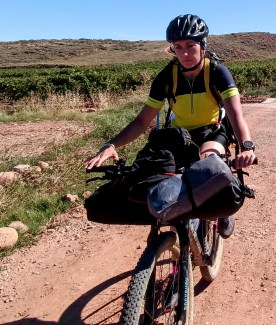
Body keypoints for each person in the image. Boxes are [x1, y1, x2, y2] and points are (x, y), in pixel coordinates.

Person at [85, 14, 256, 236]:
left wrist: (247, 147)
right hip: (180, 134)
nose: (184, 53)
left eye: (190, 46)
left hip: (212, 131)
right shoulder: (167, 77)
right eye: (178, 47)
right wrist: (111, 144)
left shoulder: (217, 72)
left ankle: (222, 208)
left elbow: (236, 116)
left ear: (203, 45)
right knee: (160, 170)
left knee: (208, 159)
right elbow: (141, 121)